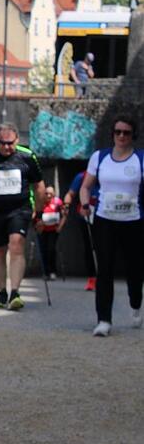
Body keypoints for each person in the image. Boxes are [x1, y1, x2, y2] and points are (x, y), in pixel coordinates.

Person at [79, 116, 144, 337]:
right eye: (118, 132)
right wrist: (85, 204)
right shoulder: (100, 157)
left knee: (134, 269)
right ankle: (104, 320)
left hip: (133, 221)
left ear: (133, 135)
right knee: (104, 269)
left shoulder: (140, 159)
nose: (121, 136)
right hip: (105, 219)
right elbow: (85, 186)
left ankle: (136, 302)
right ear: (112, 134)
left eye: (126, 132)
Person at [0, 123, 46, 310]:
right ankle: (2, 291)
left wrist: (39, 212)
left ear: (17, 140)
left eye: (10, 143)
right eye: (2, 143)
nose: (6, 147)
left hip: (20, 209)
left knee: (16, 245)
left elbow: (39, 185)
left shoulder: (27, 157)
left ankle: (15, 292)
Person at [63, 170, 98, 291]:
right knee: (89, 247)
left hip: (106, 213)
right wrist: (66, 205)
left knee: (105, 247)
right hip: (87, 214)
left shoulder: (108, 173)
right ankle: (92, 278)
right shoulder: (82, 176)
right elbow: (70, 194)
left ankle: (105, 276)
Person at [34, 185, 65, 280]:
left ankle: (52, 271)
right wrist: (37, 224)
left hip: (53, 230)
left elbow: (64, 215)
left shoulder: (58, 202)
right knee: (43, 250)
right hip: (42, 230)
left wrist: (60, 226)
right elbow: (35, 215)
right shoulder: (41, 203)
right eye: (46, 193)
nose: (48, 195)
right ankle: (46, 272)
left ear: (53, 194)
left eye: (50, 193)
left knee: (51, 249)